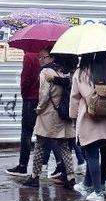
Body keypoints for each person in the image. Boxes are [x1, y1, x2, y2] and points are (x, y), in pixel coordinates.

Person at [70, 53, 106, 201]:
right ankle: (87, 184)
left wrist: (73, 118)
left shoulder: (81, 73)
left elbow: (74, 98)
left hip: (88, 117)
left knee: (91, 154)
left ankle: (98, 191)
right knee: (97, 151)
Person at [23, 52, 77, 189]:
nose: (42, 59)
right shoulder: (69, 73)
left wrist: (39, 109)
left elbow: (44, 94)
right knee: (64, 146)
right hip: (64, 113)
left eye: (45, 56)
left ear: (53, 57)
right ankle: (70, 177)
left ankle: (35, 176)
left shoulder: (47, 72)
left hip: (48, 113)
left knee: (40, 145)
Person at [6, 52, 41, 176]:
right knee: (47, 134)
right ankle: (60, 165)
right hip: (44, 99)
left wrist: (24, 93)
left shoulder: (29, 56)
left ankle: (22, 166)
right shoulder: (46, 53)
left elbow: (26, 78)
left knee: (26, 132)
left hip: (31, 98)